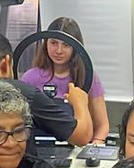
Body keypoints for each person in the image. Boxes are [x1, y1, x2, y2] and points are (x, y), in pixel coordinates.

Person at [20, 17, 109, 145]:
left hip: (77, 147)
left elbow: (102, 124)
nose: (59, 51)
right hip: (38, 148)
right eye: (53, 43)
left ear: (76, 47)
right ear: (46, 43)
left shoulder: (88, 77)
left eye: (65, 45)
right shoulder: (30, 78)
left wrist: (95, 145)